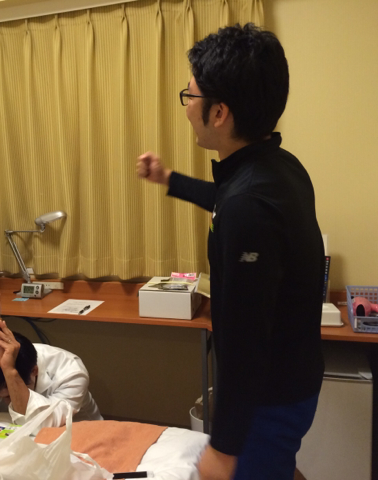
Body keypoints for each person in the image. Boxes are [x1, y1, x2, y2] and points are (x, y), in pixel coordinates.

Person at [136, 24, 324, 480]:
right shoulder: (278, 167)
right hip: (294, 378)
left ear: (219, 112)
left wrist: (223, 446)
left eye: (191, 96)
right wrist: (169, 179)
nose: (187, 107)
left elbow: (245, 341)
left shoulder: (248, 206)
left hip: (268, 397)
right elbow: (229, 198)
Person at [0, 319, 102, 428]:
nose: (7, 403)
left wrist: (10, 372)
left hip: (81, 433)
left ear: (34, 371)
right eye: (2, 397)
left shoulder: (71, 372)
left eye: (9, 396)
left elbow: (43, 424)